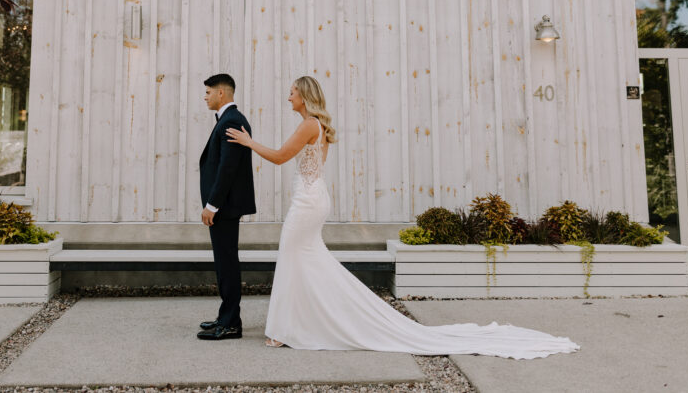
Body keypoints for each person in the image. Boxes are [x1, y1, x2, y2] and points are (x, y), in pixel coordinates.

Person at [225, 75, 579, 359]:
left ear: (304, 95)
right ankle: (299, 324)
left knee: (292, 257)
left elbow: (280, 157)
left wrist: (247, 142)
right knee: (306, 261)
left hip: (307, 202)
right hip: (313, 197)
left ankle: (287, 328)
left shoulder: (308, 125)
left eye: (291, 94)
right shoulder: (317, 125)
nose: (288, 98)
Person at [196, 73, 255, 341]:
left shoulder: (232, 121)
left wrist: (212, 205)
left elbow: (227, 169)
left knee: (227, 264)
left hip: (224, 208)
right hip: (224, 207)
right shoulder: (229, 120)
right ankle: (226, 316)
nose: (205, 97)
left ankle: (231, 323)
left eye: (208, 92)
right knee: (224, 263)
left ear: (222, 93)